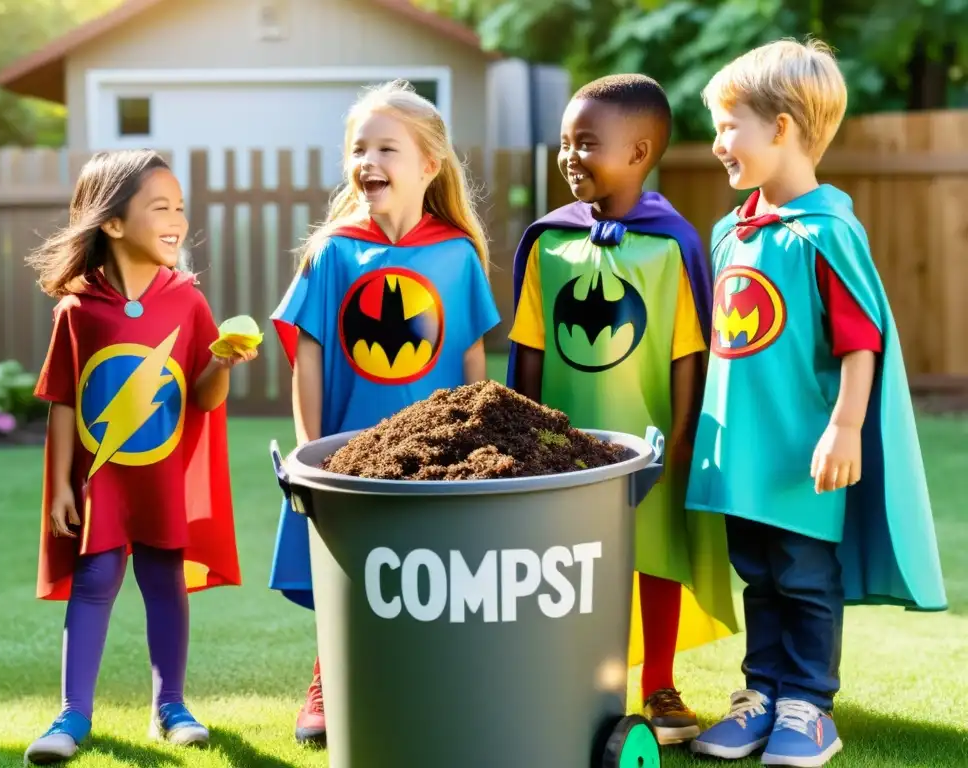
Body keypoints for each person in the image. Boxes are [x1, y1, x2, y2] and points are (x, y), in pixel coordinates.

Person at [687, 39, 947, 767]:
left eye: (729, 124)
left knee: (802, 573)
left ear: (782, 127)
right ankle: (762, 694)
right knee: (759, 573)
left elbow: (860, 341)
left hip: (805, 451)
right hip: (745, 449)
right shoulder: (734, 234)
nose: (718, 143)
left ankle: (808, 704)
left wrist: (846, 426)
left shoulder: (826, 233)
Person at [506, 74, 738, 746]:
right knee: (566, 567)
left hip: (649, 441)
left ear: (638, 152)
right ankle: (568, 682)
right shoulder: (549, 244)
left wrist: (684, 441)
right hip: (560, 445)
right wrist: (524, 433)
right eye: (564, 143)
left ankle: (659, 681)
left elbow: (687, 354)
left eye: (588, 143)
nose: (570, 156)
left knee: (653, 559)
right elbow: (528, 346)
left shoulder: (671, 246)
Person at [269, 79, 501, 747]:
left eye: (386, 148)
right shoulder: (333, 251)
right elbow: (306, 358)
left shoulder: (456, 257)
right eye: (357, 148)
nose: (367, 161)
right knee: (348, 567)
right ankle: (328, 678)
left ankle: (432, 682)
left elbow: (472, 367)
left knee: (427, 571)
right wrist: (311, 450)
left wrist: (473, 447)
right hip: (348, 450)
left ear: (430, 165)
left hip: (433, 457)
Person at [22, 150, 254, 765]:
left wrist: (222, 364)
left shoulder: (188, 300)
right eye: (160, 207)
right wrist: (62, 488)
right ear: (114, 223)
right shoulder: (78, 309)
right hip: (102, 478)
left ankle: (170, 706)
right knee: (94, 580)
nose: (177, 218)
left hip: (161, 475)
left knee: (163, 579)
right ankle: (72, 714)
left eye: (180, 206)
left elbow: (202, 399)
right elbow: (65, 402)